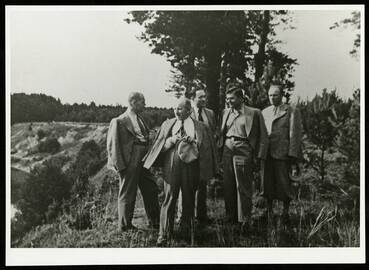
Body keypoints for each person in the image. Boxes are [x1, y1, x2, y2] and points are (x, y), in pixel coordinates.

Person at [143, 97, 217, 246]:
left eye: (180, 108)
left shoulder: (200, 127)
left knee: (189, 198)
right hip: (171, 166)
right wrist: (170, 141)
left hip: (191, 167)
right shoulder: (167, 124)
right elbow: (158, 147)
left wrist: (194, 142)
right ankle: (164, 234)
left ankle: (187, 232)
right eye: (175, 108)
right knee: (169, 198)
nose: (176, 111)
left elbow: (207, 148)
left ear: (189, 110)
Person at [106, 92, 160, 232]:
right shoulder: (119, 120)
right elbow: (113, 145)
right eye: (142, 102)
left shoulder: (140, 118)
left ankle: (154, 222)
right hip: (131, 159)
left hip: (144, 157)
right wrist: (119, 165)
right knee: (128, 192)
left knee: (151, 187)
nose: (145, 105)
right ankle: (125, 226)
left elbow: (145, 136)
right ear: (133, 102)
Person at [219, 84, 268, 232]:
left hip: (243, 148)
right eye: (227, 99)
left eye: (232, 98)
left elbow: (263, 136)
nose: (229, 101)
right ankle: (231, 217)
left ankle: (245, 219)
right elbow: (220, 132)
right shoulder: (225, 112)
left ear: (241, 98)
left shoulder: (254, 113)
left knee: (243, 186)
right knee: (228, 185)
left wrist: (260, 156)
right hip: (227, 149)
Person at [261, 83, 303, 223]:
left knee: (284, 183)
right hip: (267, 153)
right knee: (267, 183)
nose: (272, 98)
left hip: (282, 153)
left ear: (282, 96)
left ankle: (285, 212)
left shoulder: (291, 111)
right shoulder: (264, 112)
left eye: (275, 95)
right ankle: (269, 211)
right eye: (270, 95)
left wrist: (292, 155)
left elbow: (294, 134)